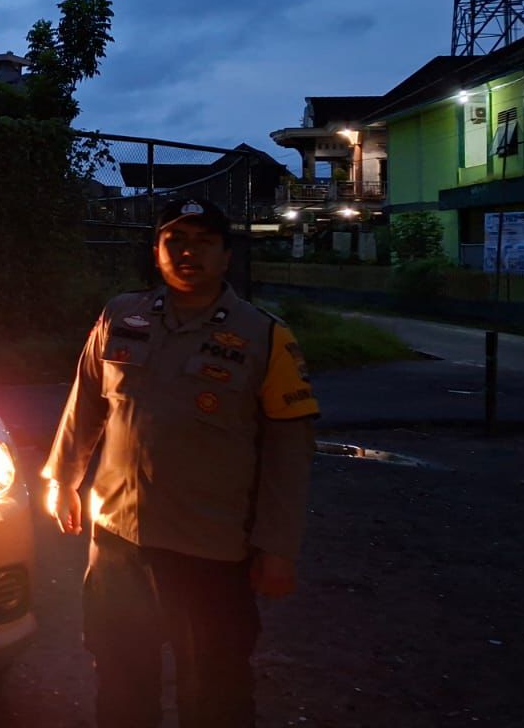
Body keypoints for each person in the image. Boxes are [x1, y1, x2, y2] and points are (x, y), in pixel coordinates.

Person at [42, 197, 320, 728]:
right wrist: (62, 478)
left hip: (210, 549)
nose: (188, 252)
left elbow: (290, 452)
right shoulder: (121, 316)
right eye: (176, 241)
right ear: (156, 251)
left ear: (226, 256)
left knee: (213, 687)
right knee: (121, 676)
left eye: (203, 242)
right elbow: (85, 403)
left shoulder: (265, 336)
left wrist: (278, 548)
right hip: (118, 539)